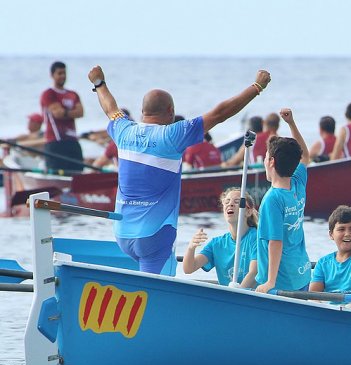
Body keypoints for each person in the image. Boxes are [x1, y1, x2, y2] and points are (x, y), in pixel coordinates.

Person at [88, 64, 271, 274]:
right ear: (171, 112)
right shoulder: (172, 135)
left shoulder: (123, 130)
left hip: (122, 234)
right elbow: (219, 114)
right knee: (156, 293)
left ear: (142, 112)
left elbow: (110, 109)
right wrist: (257, 86)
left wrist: (99, 83)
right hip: (154, 236)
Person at [255, 109, 312, 294]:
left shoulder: (272, 199)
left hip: (282, 281)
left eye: (265, 157)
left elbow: (275, 242)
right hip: (302, 272)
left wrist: (270, 282)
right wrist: (291, 123)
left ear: (271, 161)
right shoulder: (297, 183)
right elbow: (305, 157)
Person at [182, 188, 259, 287]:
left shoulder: (256, 238)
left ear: (248, 212)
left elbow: (254, 273)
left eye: (237, 202)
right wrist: (191, 248)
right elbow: (189, 269)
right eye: (227, 202)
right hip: (230, 297)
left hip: (252, 297)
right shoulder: (216, 243)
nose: (230, 204)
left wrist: (236, 295)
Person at [41, 61, 84, 173]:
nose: (63, 76)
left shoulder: (73, 94)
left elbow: (80, 112)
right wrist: (70, 112)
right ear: (52, 75)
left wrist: (64, 112)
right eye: (59, 73)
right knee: (56, 173)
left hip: (72, 141)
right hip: (55, 142)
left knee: (78, 173)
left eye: (64, 73)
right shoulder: (49, 93)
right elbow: (57, 113)